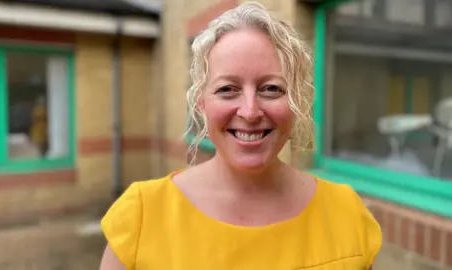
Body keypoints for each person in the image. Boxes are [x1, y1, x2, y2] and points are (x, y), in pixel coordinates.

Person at [99, 2, 382, 270]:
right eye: (227, 89)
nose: (249, 112)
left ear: (296, 100)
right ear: (201, 102)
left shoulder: (347, 215)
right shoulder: (140, 217)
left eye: (271, 88)